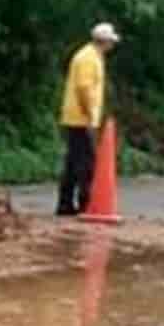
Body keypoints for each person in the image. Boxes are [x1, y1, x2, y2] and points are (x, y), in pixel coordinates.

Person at [57, 22, 120, 216]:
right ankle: (85, 204)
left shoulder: (90, 56)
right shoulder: (88, 58)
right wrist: (91, 117)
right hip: (81, 118)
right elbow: (84, 89)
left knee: (73, 162)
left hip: (76, 116)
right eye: (111, 42)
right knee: (86, 163)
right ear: (105, 41)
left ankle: (66, 203)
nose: (112, 45)